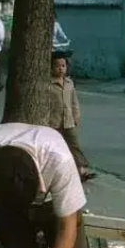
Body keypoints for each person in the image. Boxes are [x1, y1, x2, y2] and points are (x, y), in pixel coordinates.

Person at [47, 53, 92, 181]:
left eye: (63, 66)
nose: (60, 68)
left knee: (74, 145)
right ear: (51, 68)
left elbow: (74, 102)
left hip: (69, 121)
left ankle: (81, 170)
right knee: (55, 148)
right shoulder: (48, 84)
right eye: (57, 66)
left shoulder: (69, 83)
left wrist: (76, 115)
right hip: (53, 122)